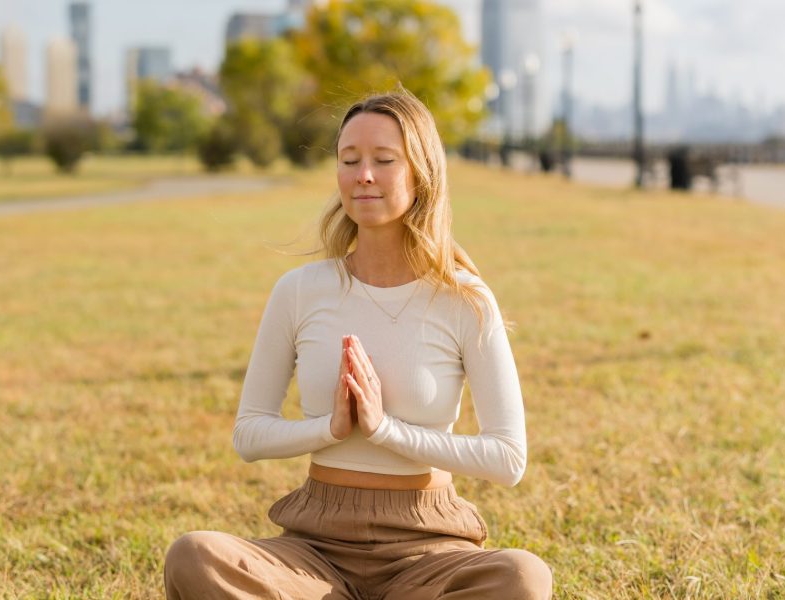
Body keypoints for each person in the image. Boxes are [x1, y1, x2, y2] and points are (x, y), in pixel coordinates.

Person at [164, 89, 553, 599]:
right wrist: (330, 428)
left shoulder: (466, 299)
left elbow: (508, 458)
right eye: (349, 160)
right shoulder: (301, 289)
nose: (362, 175)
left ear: (421, 173)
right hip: (314, 552)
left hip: (428, 551)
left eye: (383, 160)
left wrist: (385, 430)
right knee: (195, 556)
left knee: (523, 577)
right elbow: (249, 434)